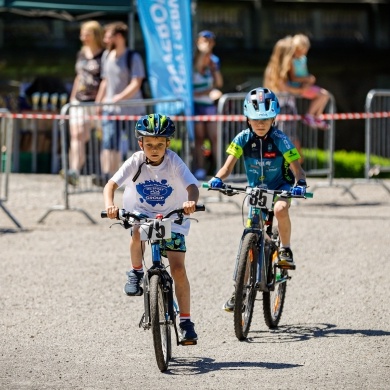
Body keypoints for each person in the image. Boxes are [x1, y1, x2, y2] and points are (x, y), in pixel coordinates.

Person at [103, 113, 201, 342]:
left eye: (159, 144)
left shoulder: (174, 161)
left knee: (178, 269)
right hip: (142, 214)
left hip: (172, 217)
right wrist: (110, 206)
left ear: (168, 143)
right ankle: (136, 272)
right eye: (149, 145)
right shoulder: (136, 160)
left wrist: (191, 202)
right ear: (141, 144)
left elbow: (192, 186)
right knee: (137, 231)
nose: (154, 149)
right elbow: (110, 185)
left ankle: (186, 321)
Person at [208, 87, 307, 312]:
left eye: (265, 119)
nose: (260, 124)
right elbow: (226, 168)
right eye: (255, 119)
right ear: (247, 118)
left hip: (280, 186)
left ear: (274, 118)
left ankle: (286, 249)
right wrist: (217, 179)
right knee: (247, 237)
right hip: (255, 191)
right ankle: (238, 291)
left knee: (281, 209)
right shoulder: (242, 138)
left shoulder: (281, 139)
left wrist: (299, 184)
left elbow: (298, 171)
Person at [94, 21, 146, 187]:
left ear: (118, 37)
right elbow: (105, 81)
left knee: (135, 146)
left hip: (132, 110)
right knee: (109, 143)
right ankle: (109, 177)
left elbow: (136, 82)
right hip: (111, 110)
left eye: (108, 36)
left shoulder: (133, 57)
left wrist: (120, 97)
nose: (105, 40)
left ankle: (139, 178)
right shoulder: (106, 56)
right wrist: (99, 102)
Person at [65, 20, 105, 185]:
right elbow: (79, 76)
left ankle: (105, 173)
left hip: (95, 101)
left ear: (95, 35)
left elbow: (105, 80)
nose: (83, 37)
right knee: (77, 134)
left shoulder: (104, 55)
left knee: (97, 136)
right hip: (79, 101)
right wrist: (72, 98)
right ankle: (74, 170)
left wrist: (100, 101)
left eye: (86, 33)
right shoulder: (81, 53)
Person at [263, 35, 304, 163]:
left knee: (288, 141)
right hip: (283, 108)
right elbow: (283, 87)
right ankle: (293, 170)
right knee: (287, 142)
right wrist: (301, 91)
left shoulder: (277, 69)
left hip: (281, 109)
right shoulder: (277, 70)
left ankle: (294, 170)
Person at [192, 30, 223, 180]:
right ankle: (199, 167)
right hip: (196, 105)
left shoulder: (214, 60)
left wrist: (207, 90)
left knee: (214, 137)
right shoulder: (192, 59)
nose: (206, 44)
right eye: (203, 40)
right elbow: (198, 69)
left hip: (209, 104)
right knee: (199, 137)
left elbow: (219, 83)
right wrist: (203, 54)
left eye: (209, 41)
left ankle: (219, 168)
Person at [288, 33, 330, 130]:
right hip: (297, 86)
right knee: (321, 95)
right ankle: (309, 115)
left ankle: (317, 116)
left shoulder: (303, 59)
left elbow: (305, 74)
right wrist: (307, 79)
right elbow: (293, 78)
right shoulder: (291, 60)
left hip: (305, 85)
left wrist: (309, 80)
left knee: (326, 95)